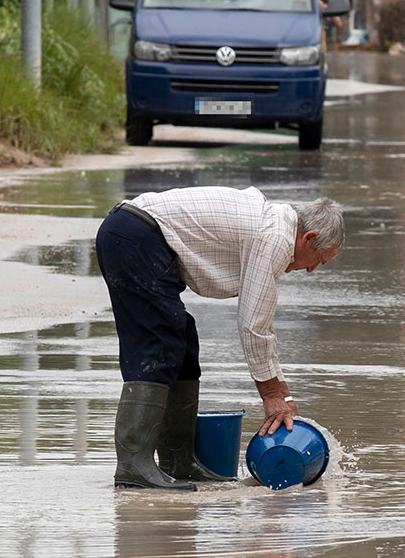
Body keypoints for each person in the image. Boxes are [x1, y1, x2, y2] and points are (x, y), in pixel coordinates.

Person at [95, 187, 345, 490]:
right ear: (308, 237)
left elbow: (262, 325)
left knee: (182, 342)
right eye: (318, 259)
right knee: (158, 343)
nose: (310, 269)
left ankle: (179, 461)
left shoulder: (275, 227)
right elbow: (253, 324)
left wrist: (284, 394)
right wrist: (271, 396)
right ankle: (134, 465)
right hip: (134, 235)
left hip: (140, 236)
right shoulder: (275, 237)